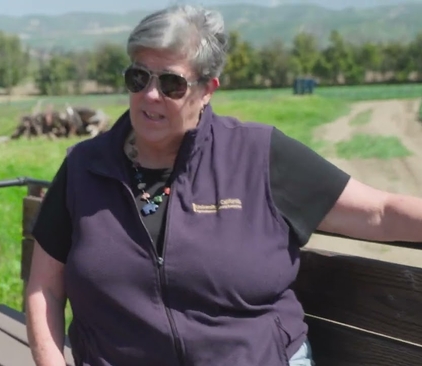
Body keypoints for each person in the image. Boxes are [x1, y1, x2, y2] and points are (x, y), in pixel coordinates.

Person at [24, 4, 422, 366]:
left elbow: (379, 212)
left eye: (171, 84)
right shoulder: (85, 167)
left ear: (206, 91)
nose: (150, 95)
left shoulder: (259, 156)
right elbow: (45, 288)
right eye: (138, 77)